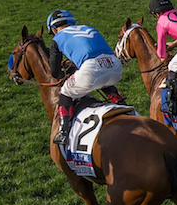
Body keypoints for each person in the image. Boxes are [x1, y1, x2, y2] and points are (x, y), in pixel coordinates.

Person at [46, 10, 127, 145]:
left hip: (91, 69)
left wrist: (63, 73)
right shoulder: (89, 28)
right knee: (104, 81)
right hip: (115, 65)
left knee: (66, 92)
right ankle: (122, 104)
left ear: (54, 29)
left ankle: (64, 131)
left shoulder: (57, 38)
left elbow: (54, 72)